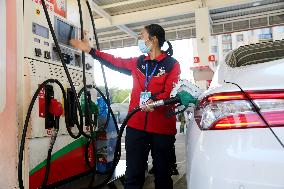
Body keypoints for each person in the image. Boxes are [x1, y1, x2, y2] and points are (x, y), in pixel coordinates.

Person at [70, 24, 181, 189]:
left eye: (141, 35)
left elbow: (172, 92)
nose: (139, 39)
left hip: (162, 129)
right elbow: (115, 61)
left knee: (163, 176)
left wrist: (154, 101)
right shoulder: (138, 62)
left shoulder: (172, 64)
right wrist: (91, 51)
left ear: (153, 39)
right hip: (136, 127)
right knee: (133, 176)